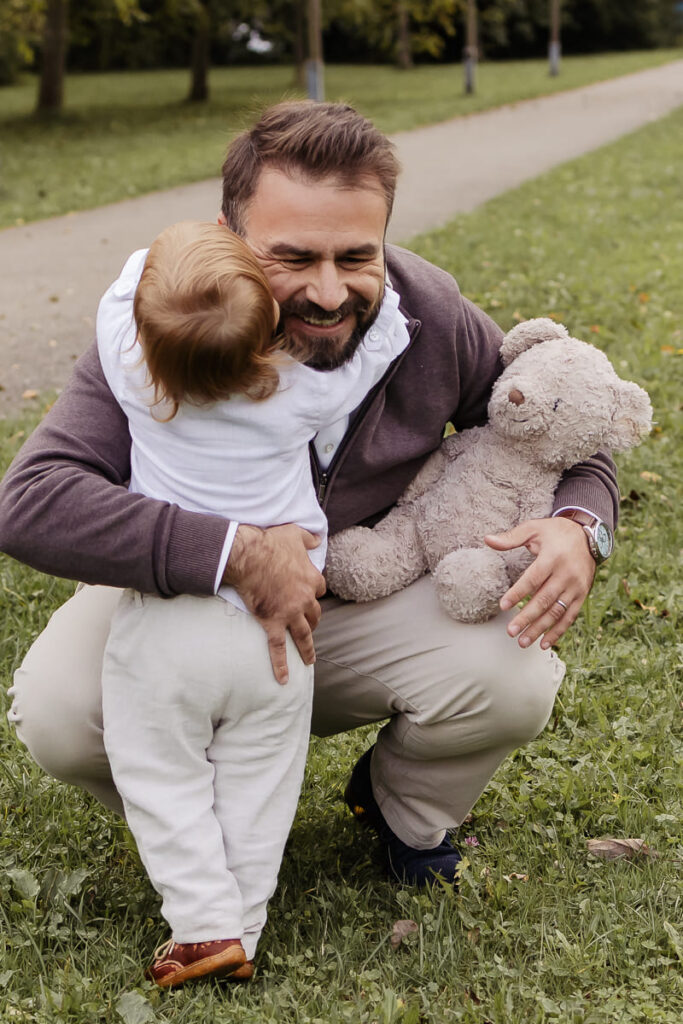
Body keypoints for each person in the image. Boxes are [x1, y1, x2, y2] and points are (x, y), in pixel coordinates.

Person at [0, 101, 616, 905]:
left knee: (512, 674)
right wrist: (235, 551)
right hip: (183, 609)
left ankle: (403, 810)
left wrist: (579, 526)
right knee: (59, 713)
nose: (329, 293)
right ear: (229, 232)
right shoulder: (167, 319)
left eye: (355, 255)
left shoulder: (424, 315)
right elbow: (32, 500)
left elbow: (562, 420)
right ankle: (207, 836)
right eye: (293, 257)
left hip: (358, 604)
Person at [95, 218, 412, 987]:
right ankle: (244, 930)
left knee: (161, 775)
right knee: (258, 786)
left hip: (168, 622)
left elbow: (128, 283)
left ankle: (202, 925)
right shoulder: (300, 394)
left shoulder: (132, 366)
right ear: (267, 319)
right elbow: (385, 339)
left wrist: (174, 260)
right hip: (282, 629)